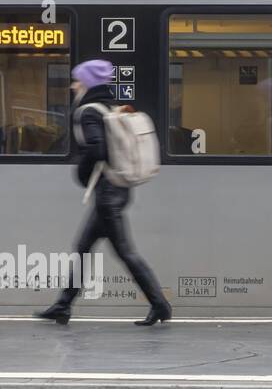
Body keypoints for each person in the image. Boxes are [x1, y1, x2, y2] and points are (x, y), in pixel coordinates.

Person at [34, 59, 171, 326]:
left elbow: (96, 149)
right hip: (117, 190)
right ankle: (63, 306)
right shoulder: (111, 106)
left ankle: (160, 305)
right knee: (83, 247)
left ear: (87, 82)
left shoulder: (88, 111)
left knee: (124, 251)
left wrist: (82, 174)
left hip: (107, 194)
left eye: (77, 80)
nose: (74, 85)